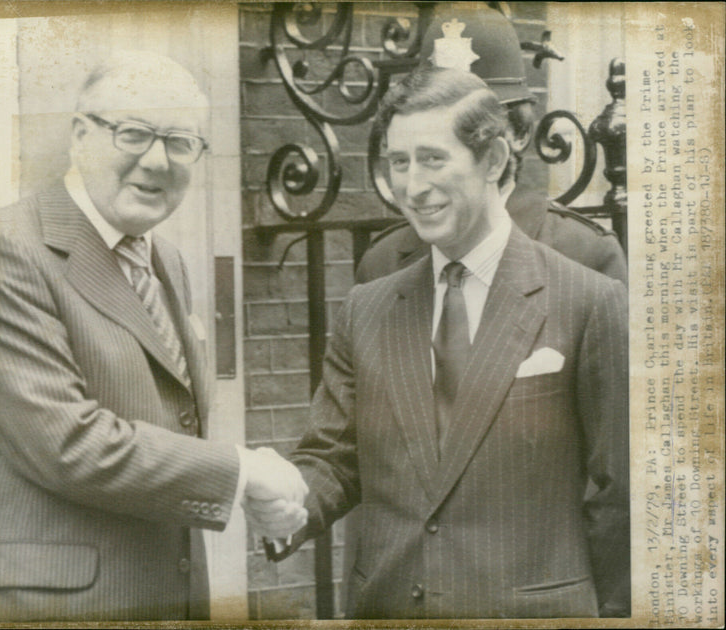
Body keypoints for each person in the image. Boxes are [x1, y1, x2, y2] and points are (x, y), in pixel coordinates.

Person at [0, 51, 307, 622]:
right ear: (81, 136)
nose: (157, 161)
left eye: (181, 142)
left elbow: (169, 425)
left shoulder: (168, 262)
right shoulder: (3, 249)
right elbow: (66, 443)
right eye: (134, 133)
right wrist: (240, 472)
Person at [263, 67, 630, 619]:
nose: (413, 186)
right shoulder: (368, 306)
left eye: (434, 159)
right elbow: (333, 459)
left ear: (494, 161)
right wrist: (283, 504)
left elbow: (617, 494)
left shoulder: (588, 300)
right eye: (399, 163)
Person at [355, 5, 627, 286]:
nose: (416, 186)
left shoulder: (583, 254)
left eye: (476, 129)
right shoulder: (384, 262)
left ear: (519, 134)